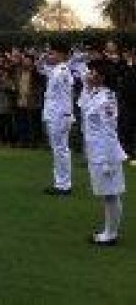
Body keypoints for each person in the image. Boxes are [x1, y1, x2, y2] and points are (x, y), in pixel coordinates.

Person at [78, 60, 127, 246]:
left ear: (102, 77)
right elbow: (82, 105)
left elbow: (109, 130)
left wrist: (107, 160)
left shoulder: (107, 98)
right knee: (107, 194)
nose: (88, 74)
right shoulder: (94, 94)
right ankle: (109, 231)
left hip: (106, 153)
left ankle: (110, 234)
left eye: (92, 72)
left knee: (111, 194)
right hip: (96, 151)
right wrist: (85, 85)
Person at [38, 42, 76, 196]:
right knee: (58, 150)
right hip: (54, 114)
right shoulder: (55, 70)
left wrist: (67, 114)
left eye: (53, 53)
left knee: (61, 150)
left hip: (60, 115)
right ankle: (60, 182)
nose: (50, 56)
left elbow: (68, 94)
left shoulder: (62, 71)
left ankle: (64, 185)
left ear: (61, 55)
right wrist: (43, 57)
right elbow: (40, 68)